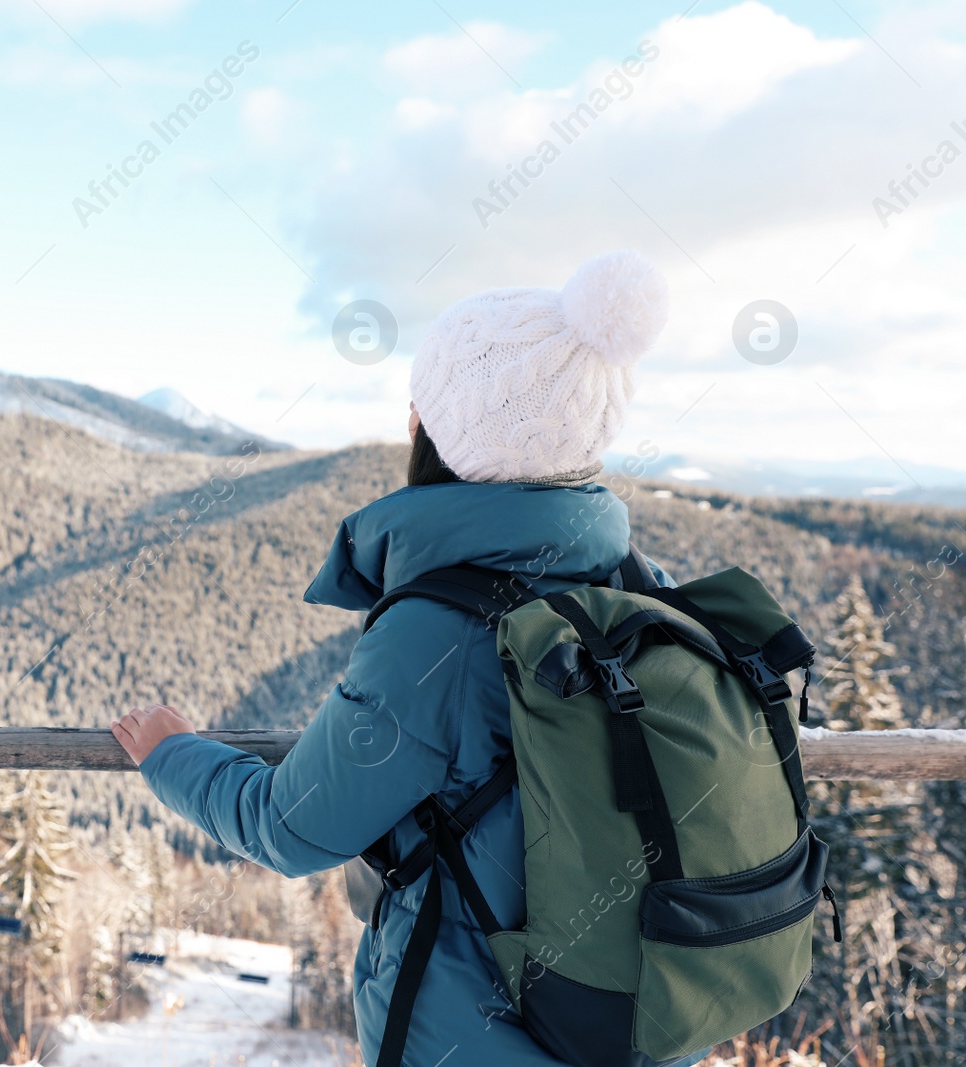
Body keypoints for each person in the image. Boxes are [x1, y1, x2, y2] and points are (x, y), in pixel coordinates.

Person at [112, 251, 707, 1066]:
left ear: (442, 432)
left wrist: (172, 754)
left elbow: (292, 827)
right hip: (640, 1027)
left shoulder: (443, 631)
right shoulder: (649, 592)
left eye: (419, 405)